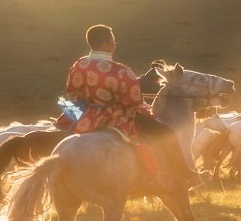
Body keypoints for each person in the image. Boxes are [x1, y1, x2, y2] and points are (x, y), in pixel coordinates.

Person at [54, 24, 200, 190]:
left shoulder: (78, 65)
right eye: (112, 40)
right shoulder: (121, 71)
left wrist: (83, 116)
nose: (114, 43)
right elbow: (133, 102)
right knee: (167, 133)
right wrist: (146, 110)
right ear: (106, 44)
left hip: (85, 117)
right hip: (117, 118)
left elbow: (71, 95)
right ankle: (185, 174)